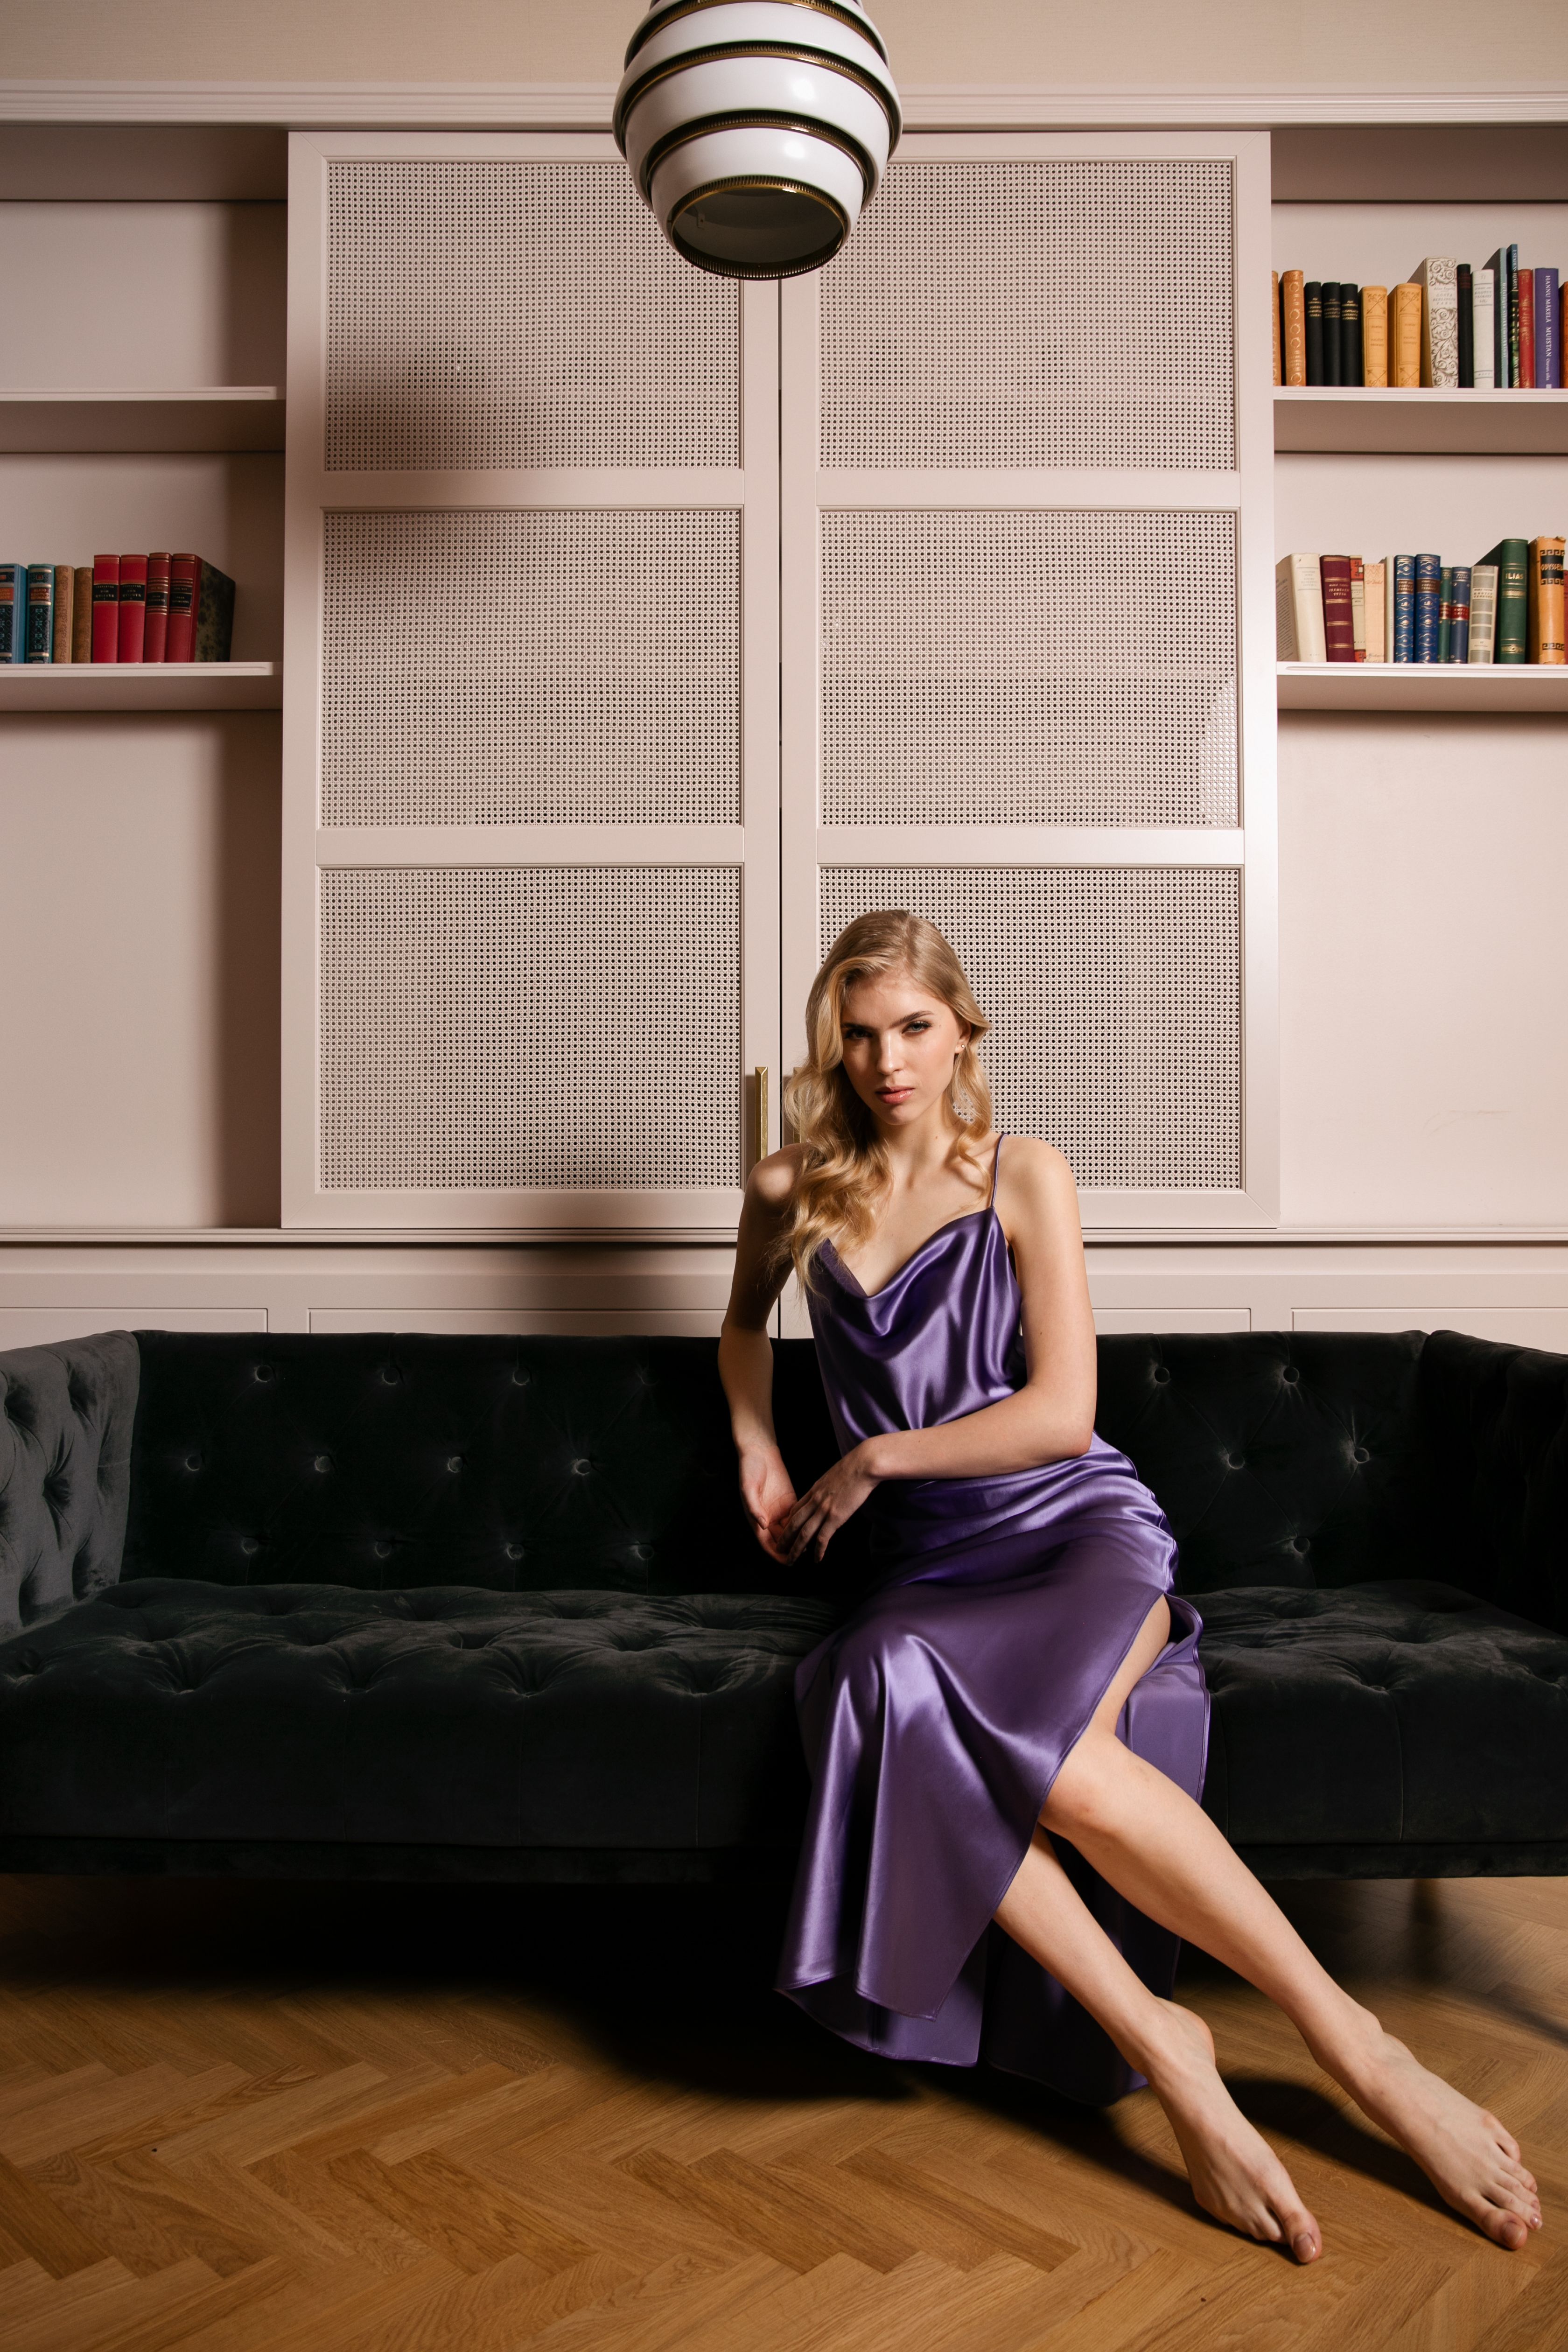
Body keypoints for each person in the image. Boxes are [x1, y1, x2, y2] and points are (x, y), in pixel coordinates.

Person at [718, 908, 1540, 2263]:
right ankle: (1167, 2046)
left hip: (1070, 1525)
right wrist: (757, 1444)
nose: (887, 1060)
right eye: (859, 1035)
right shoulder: (787, 1187)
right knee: (874, 1676)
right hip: (928, 1564)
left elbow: (1060, 1411)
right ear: (833, 1042)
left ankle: (1362, 2051)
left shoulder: (1026, 1175)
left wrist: (866, 1456)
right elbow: (744, 1330)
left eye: (915, 1027)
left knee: (1059, 1766)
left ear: (964, 1030)